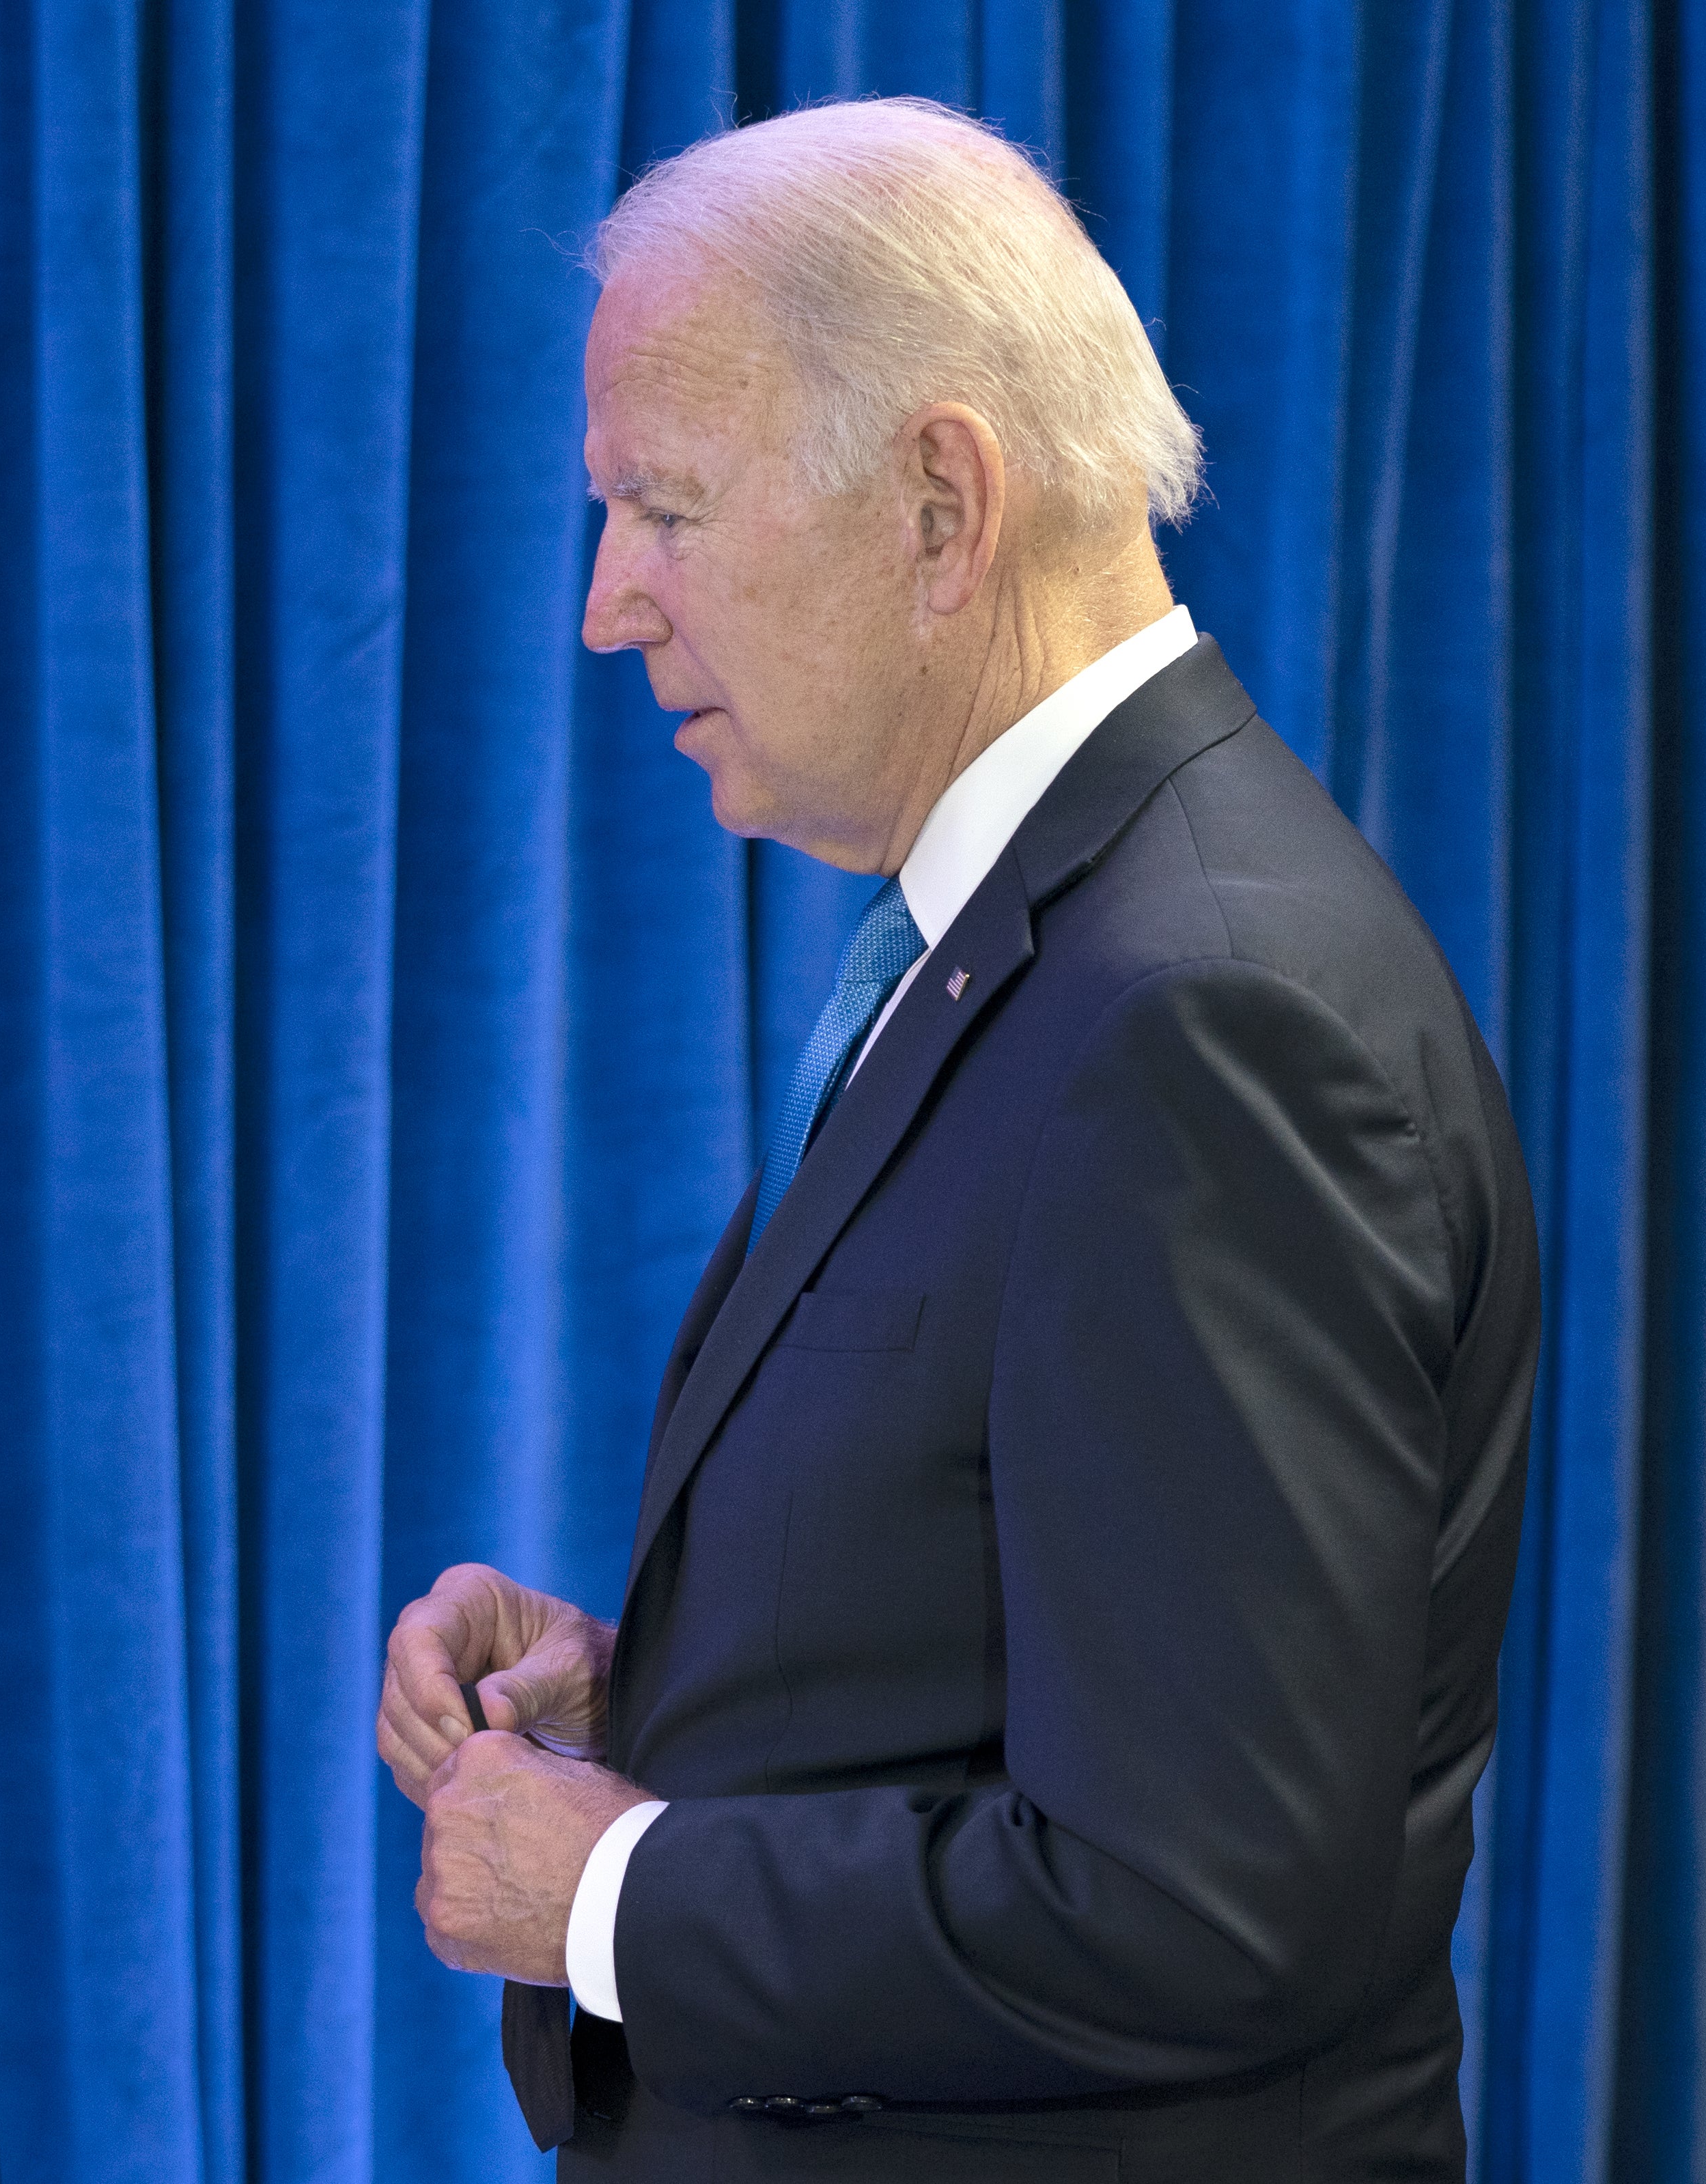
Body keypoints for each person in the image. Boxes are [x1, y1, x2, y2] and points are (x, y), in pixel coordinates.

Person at [377, 100, 1536, 2181]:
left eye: (659, 505)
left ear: (936, 502)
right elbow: (1058, 1648)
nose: (603, 607)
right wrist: (664, 1701)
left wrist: (608, 1892)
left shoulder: (1200, 1016)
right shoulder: (1049, 946)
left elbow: (1196, 1905)